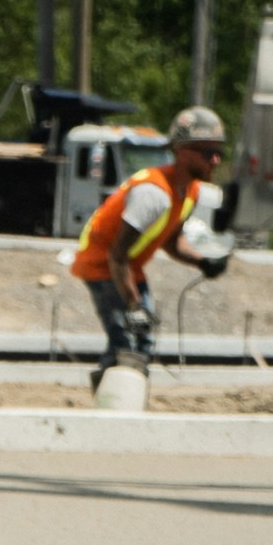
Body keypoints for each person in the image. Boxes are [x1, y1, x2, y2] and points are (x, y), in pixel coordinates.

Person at [70, 104, 232, 390]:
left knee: (143, 339)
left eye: (220, 152)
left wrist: (203, 261)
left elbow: (171, 240)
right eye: (209, 153)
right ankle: (113, 398)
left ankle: (118, 391)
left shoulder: (189, 190)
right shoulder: (153, 193)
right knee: (126, 340)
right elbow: (116, 255)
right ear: (182, 152)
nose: (217, 160)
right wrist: (134, 305)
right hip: (103, 265)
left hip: (126, 267)